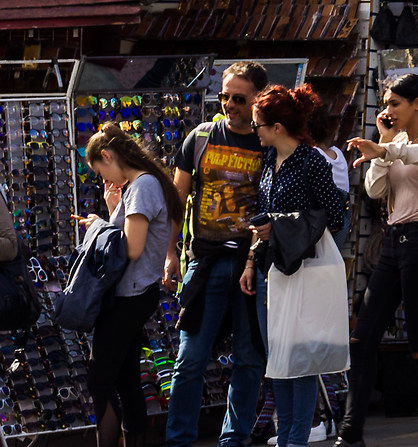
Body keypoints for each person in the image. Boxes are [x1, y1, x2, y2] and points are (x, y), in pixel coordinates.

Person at [343, 74, 418, 447]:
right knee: (361, 338)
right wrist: (384, 145)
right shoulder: (393, 144)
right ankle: (350, 433)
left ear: (417, 103)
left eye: (395, 103)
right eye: (385, 104)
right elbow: (375, 189)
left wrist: (389, 151)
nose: (388, 110)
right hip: (394, 243)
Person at [167, 62, 271, 447]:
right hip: (206, 261)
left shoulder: (267, 143)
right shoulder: (201, 137)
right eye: (224, 96)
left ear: (258, 99)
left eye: (239, 99)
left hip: (252, 265)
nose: (229, 105)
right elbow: (177, 199)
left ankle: (234, 440)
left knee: (249, 359)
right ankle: (179, 440)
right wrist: (169, 253)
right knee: (189, 359)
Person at [240, 87, 347, 447]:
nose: (254, 131)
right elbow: (264, 215)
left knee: (300, 360)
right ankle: (286, 436)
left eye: (258, 125)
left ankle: (295, 440)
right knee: (279, 359)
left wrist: (281, 225)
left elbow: (334, 215)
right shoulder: (269, 160)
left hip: (305, 270)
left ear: (278, 127)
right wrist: (251, 260)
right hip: (275, 269)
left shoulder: (311, 162)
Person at [80, 123, 175, 447]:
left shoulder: (143, 185)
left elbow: (131, 248)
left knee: (100, 380)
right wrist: (110, 212)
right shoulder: (141, 183)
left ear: (107, 156)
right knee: (126, 378)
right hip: (134, 293)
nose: (104, 179)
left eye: (100, 171)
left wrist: (98, 226)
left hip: (129, 295)